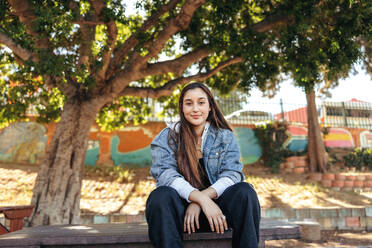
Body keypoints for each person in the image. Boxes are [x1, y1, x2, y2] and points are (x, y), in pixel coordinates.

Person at [146, 82, 261, 248]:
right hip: (181, 215)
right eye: (188, 103)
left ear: (210, 107)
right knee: (160, 197)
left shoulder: (224, 137)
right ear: (181, 107)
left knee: (245, 191)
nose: (195, 109)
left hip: (217, 213)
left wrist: (202, 201)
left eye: (201, 102)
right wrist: (197, 198)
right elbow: (165, 174)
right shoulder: (168, 137)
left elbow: (232, 174)